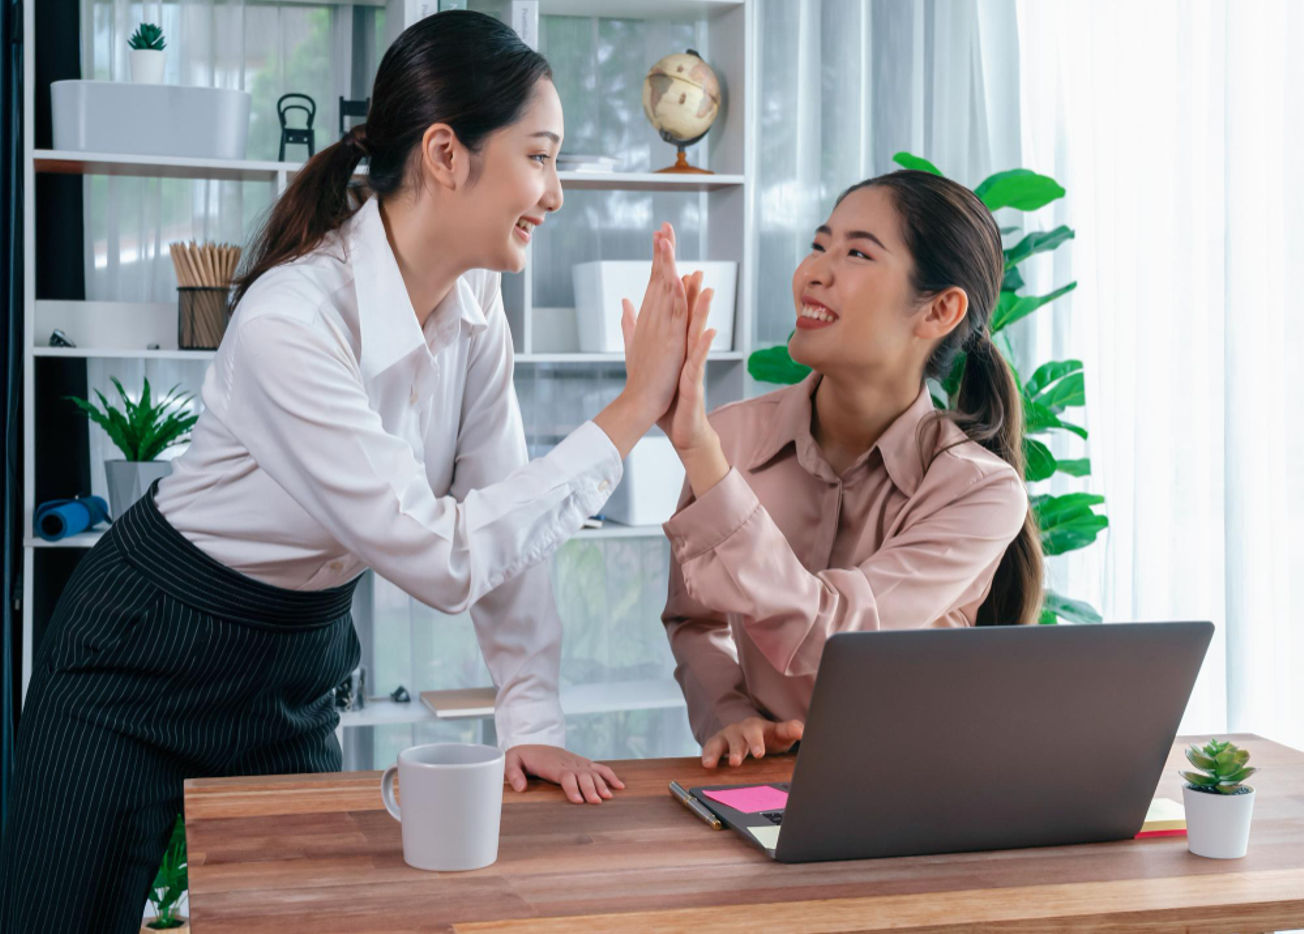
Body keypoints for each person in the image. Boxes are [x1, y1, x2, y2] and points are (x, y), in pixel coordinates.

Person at [1, 11, 702, 932]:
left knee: (308, 916)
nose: (557, 193)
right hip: (140, 651)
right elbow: (441, 557)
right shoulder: (292, 319)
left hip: (295, 656)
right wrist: (629, 412)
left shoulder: (478, 301)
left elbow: (501, 523)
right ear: (447, 154)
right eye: (539, 157)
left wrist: (531, 722)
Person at [658, 170, 1044, 768]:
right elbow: (694, 620)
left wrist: (700, 454)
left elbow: (835, 634)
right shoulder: (730, 437)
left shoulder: (978, 491)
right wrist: (730, 715)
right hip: (761, 789)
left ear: (940, 309)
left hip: (915, 793)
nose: (814, 271)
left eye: (858, 253)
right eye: (819, 245)